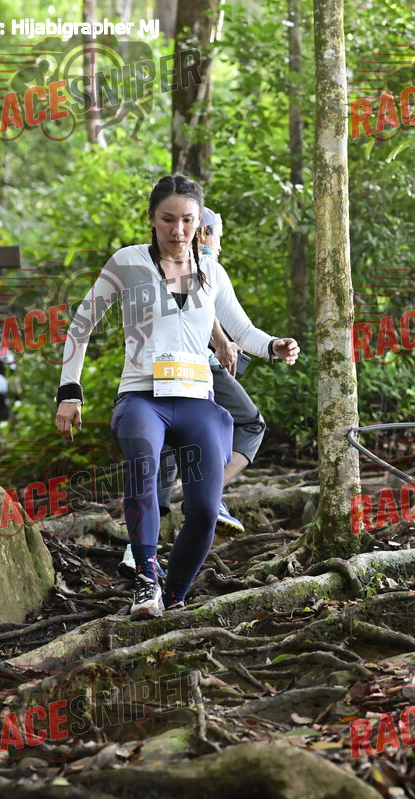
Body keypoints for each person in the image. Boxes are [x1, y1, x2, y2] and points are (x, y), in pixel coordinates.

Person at [55, 173, 299, 620]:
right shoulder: (128, 262)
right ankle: (145, 578)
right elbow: (81, 324)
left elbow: (242, 330)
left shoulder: (212, 272)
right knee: (144, 473)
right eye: (168, 219)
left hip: (196, 400)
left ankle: (174, 595)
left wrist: (273, 346)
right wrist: (70, 392)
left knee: (204, 510)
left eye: (188, 220)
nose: (178, 230)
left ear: (199, 222)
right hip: (141, 398)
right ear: (152, 218)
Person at [118, 206, 267, 579]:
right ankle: (205, 493)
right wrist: (222, 342)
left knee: (167, 446)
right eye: (218, 235)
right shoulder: (197, 257)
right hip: (190, 368)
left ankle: (141, 547)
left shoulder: (169, 257)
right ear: (204, 232)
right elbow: (192, 303)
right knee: (247, 423)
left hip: (169, 369)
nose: (219, 243)